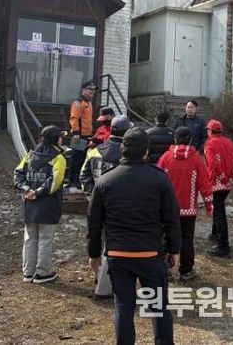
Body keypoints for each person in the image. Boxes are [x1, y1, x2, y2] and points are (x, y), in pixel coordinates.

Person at [87, 128, 181, 345]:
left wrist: (94, 253)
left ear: (122, 148)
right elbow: (171, 219)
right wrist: (174, 250)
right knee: (159, 307)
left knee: (123, 308)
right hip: (150, 255)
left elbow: (94, 222)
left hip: (118, 255)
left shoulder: (105, 181)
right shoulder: (160, 179)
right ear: (147, 151)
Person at [80, 114, 130, 299]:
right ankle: (107, 283)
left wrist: (92, 196)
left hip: (96, 204)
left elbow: (83, 175)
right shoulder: (126, 155)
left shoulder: (94, 151)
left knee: (95, 238)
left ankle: (97, 275)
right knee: (113, 244)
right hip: (119, 207)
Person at [157, 127, 213, 280]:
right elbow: (205, 184)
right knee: (187, 239)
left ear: (175, 139)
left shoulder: (166, 157)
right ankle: (186, 270)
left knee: (166, 238)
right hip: (189, 209)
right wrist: (209, 205)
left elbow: (157, 180)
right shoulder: (196, 159)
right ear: (190, 140)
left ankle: (167, 270)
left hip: (168, 209)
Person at [14, 125, 67, 284]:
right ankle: (42, 273)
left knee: (29, 239)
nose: (62, 139)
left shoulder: (30, 155)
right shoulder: (58, 158)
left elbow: (18, 173)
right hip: (48, 204)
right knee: (45, 239)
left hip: (29, 204)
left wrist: (26, 189)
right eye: (60, 136)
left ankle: (28, 273)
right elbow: (54, 183)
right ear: (56, 139)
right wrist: (37, 192)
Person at [204, 119, 233, 258]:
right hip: (227, 184)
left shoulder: (210, 144)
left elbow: (213, 164)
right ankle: (215, 234)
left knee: (219, 212)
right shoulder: (230, 142)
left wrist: (223, 178)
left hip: (216, 182)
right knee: (218, 208)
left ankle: (223, 245)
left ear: (210, 131)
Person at [68, 80, 97, 190]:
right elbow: (74, 118)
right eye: (90, 89)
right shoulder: (78, 103)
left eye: (93, 90)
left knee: (83, 158)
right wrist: (76, 133)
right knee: (76, 158)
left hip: (87, 135)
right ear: (83, 90)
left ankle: (78, 180)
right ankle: (72, 181)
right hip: (78, 135)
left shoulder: (89, 103)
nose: (92, 91)